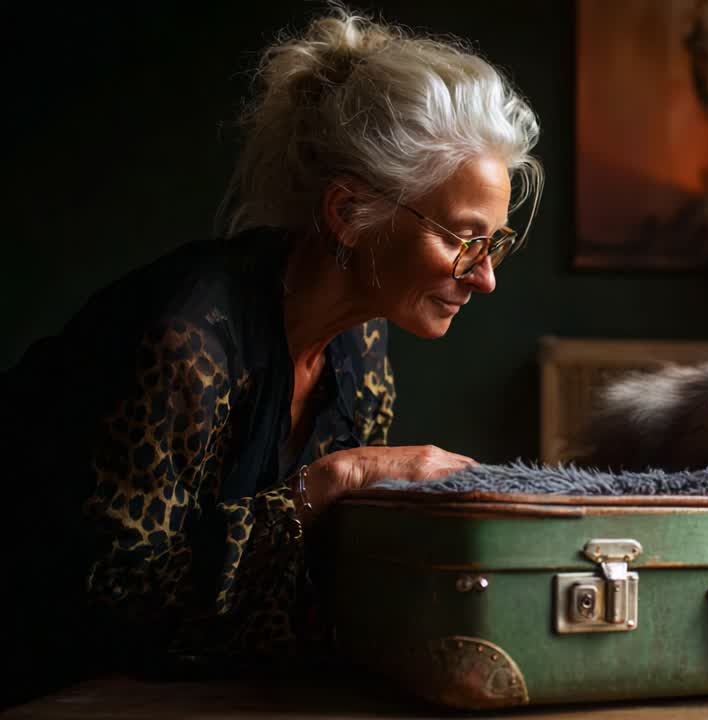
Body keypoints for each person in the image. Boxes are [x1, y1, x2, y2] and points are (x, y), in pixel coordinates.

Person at [1, 5, 542, 706]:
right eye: (463, 238)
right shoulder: (185, 339)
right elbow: (117, 607)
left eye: (493, 244)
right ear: (347, 213)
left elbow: (313, 575)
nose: (485, 276)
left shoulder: (365, 344)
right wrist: (341, 476)